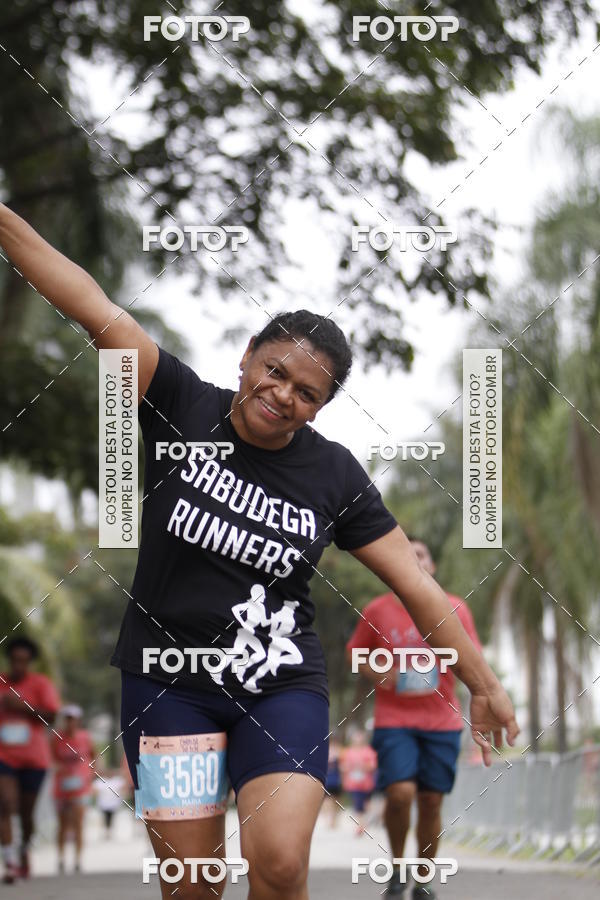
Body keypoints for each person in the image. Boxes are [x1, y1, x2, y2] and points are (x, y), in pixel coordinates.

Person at [0, 202, 519, 900]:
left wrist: (484, 684)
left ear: (320, 407)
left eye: (306, 393)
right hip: (168, 687)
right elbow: (92, 306)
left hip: (278, 687)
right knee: (193, 886)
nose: (282, 395)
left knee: (277, 864)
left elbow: (418, 588)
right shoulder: (179, 402)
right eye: (274, 370)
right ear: (248, 355)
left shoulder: (333, 475)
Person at [346, 537, 486, 898]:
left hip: (443, 721)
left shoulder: (455, 608)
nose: (415, 559)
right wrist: (379, 671)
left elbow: (472, 657)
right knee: (400, 793)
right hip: (394, 720)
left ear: (433, 566)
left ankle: (423, 880)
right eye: (407, 554)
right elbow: (355, 654)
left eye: (421, 554)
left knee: (431, 800)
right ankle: (397, 869)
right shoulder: (377, 610)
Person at [0, 636, 60, 884]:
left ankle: (24, 850)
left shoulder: (41, 684)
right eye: (15, 660)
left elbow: (51, 717)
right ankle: (10, 862)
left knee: (26, 814)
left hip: (34, 760)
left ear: (30, 662)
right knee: (5, 804)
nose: (19, 666)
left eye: (24, 661)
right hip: (4, 756)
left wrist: (21, 706)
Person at [51, 705, 94, 873]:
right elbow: (52, 758)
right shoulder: (56, 738)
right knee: (62, 824)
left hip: (80, 788)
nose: (70, 722)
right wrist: (58, 767)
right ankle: (61, 858)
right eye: (67, 719)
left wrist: (90, 773)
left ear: (78, 720)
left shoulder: (85, 737)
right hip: (62, 787)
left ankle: (77, 859)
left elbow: (94, 755)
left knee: (78, 823)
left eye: (73, 719)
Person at [339, 729, 377, 835]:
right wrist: (349, 767)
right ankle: (360, 826)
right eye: (356, 737)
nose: (358, 739)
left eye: (360, 737)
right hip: (353, 784)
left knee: (366, 805)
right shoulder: (347, 752)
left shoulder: (369, 751)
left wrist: (363, 766)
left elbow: (373, 765)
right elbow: (342, 766)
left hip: (367, 784)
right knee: (358, 805)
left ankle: (364, 823)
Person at [322, 735, 343, 828]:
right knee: (329, 800)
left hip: (335, 780)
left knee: (335, 800)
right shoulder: (338, 752)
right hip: (329, 780)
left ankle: (332, 820)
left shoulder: (340, 752)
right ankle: (330, 820)